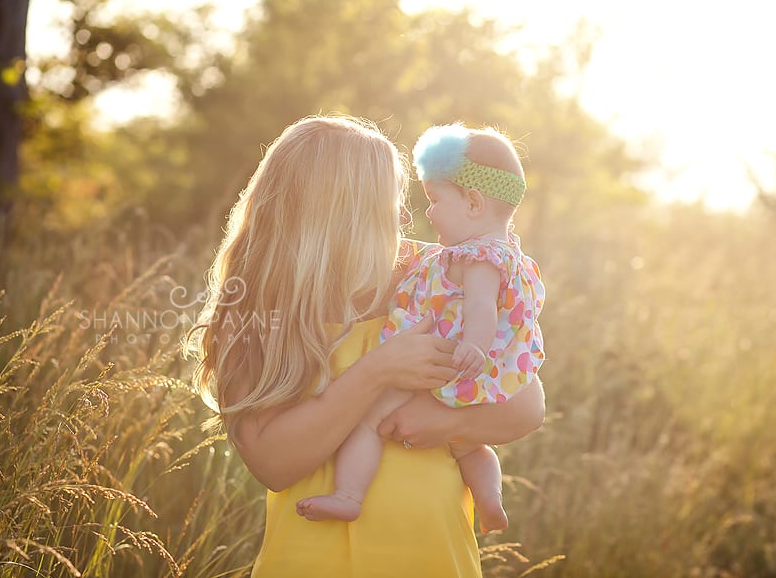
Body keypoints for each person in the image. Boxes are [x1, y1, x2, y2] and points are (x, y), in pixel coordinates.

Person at [186, 115, 546, 577]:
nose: (404, 216)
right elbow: (274, 463)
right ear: (339, 212)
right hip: (308, 565)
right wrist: (377, 371)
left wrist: (444, 420)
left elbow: (528, 405)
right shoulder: (255, 311)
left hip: (431, 560)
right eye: (389, 200)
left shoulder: (436, 275)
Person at [296, 123, 545, 535]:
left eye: (434, 200)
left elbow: (482, 308)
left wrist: (473, 347)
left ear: (473, 202)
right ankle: (489, 502)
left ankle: (348, 495)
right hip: (466, 368)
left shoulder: (478, 257)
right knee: (471, 448)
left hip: (440, 361)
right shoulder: (506, 254)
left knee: (370, 421)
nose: (426, 213)